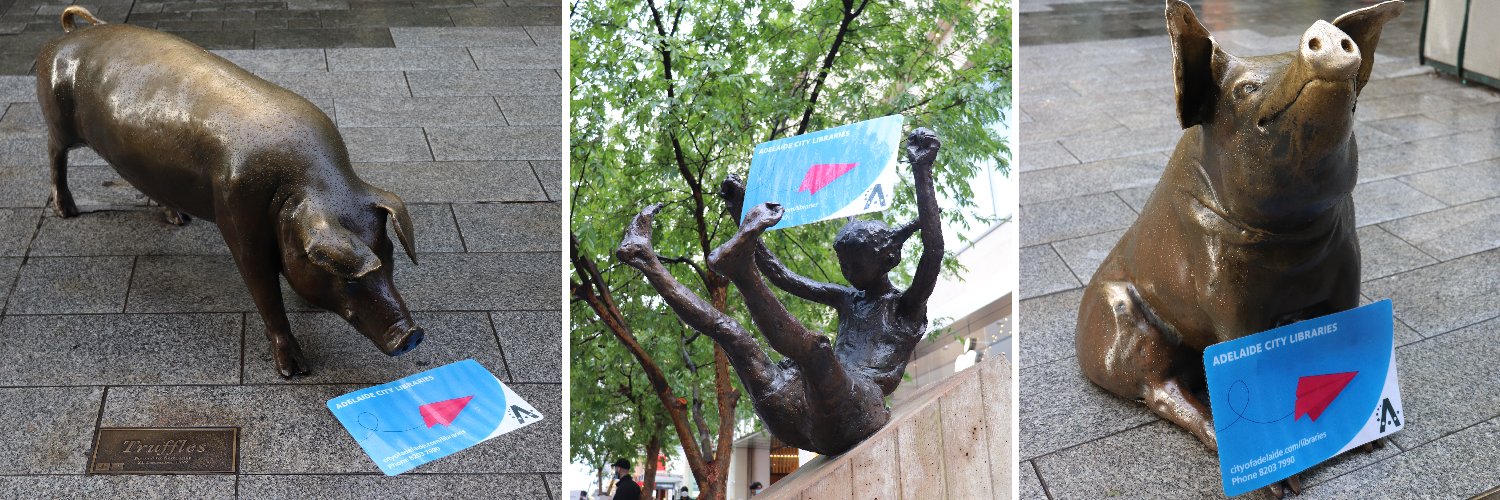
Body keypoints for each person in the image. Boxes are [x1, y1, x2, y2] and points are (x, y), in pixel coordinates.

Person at [616, 128, 945, 455]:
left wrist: (922, 169)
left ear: (889, 259)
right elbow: (781, 275)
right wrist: (741, 210)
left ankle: (742, 273)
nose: (847, 274)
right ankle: (644, 258)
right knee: (732, 334)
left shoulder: (905, 309)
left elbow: (933, 252)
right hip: (799, 409)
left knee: (817, 348)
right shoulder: (848, 299)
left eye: (854, 267)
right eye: (843, 265)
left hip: (856, 408)